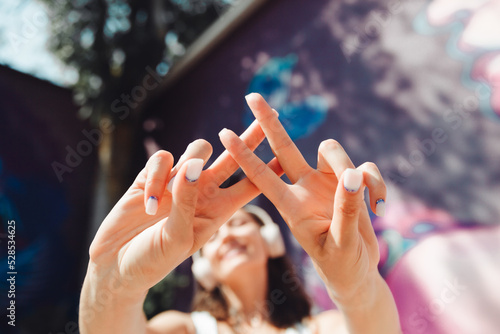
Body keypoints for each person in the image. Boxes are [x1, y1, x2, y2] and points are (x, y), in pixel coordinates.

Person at [79, 93, 401, 333]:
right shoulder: (182, 330)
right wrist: (112, 280)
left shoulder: (324, 328)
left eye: (240, 223)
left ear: (270, 241)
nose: (228, 233)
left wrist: (357, 287)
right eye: (213, 236)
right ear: (202, 265)